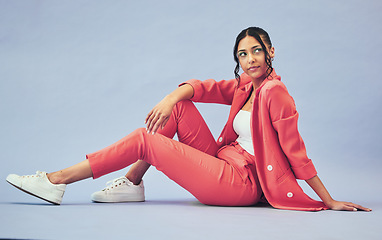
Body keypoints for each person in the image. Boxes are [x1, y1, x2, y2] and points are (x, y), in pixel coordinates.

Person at [6, 27, 371, 212]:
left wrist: (330, 200)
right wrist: (170, 97)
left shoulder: (275, 93)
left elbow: (297, 153)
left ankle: (57, 180)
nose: (250, 59)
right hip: (221, 160)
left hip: (241, 182)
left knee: (144, 139)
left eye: (257, 50)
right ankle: (134, 182)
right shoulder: (245, 86)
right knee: (178, 108)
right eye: (243, 54)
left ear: (271, 51)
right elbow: (203, 87)